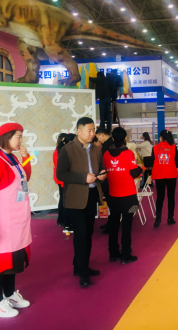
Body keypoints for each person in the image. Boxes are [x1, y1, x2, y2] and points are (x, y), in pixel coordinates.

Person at [0, 123, 32, 318]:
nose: (21, 140)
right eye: (18, 136)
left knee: (13, 259)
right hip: (1, 222)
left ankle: (10, 294)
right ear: (6, 137)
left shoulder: (12, 158)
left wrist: (26, 158)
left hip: (17, 220)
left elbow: (25, 179)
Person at [56, 117, 107, 288]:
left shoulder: (96, 149)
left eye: (94, 130)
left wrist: (103, 174)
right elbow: (61, 174)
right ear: (79, 131)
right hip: (75, 199)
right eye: (89, 130)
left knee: (88, 233)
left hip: (91, 195)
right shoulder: (67, 150)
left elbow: (101, 167)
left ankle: (80, 265)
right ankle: (82, 271)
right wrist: (82, 178)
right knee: (81, 234)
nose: (92, 133)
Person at [103, 127, 143, 264]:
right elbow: (134, 173)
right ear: (125, 138)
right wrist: (140, 167)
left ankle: (113, 253)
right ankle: (126, 254)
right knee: (127, 225)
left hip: (112, 195)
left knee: (114, 224)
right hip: (128, 196)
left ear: (112, 138)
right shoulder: (128, 153)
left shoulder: (106, 154)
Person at [151, 129, 178, 227]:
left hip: (159, 176)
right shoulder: (173, 147)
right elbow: (177, 162)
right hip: (171, 175)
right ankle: (170, 218)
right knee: (171, 197)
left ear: (160, 137)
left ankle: (158, 219)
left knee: (160, 197)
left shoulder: (155, 148)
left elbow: (152, 161)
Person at [54, 133, 76, 233]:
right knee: (66, 201)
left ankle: (62, 220)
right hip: (64, 179)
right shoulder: (62, 151)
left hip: (62, 179)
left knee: (63, 200)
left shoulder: (59, 150)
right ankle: (66, 223)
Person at [96, 127, 114, 234]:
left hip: (109, 177)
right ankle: (110, 223)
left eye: (98, 137)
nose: (98, 140)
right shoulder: (109, 143)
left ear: (102, 134)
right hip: (108, 176)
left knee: (111, 203)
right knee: (110, 202)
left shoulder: (109, 145)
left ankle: (112, 225)